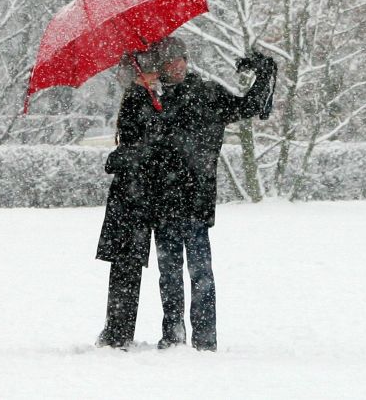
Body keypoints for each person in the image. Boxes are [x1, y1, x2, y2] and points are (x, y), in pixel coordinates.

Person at [151, 36, 277, 351]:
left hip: (197, 199)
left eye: (180, 59)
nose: (176, 65)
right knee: (169, 274)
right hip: (162, 200)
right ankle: (173, 335)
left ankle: (205, 339)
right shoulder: (152, 99)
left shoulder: (206, 93)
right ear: (161, 66)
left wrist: (263, 75)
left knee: (200, 272)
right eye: (169, 60)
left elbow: (247, 106)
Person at [94, 49, 167, 349]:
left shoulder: (140, 99)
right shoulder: (140, 100)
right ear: (142, 73)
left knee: (126, 265)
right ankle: (118, 331)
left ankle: (117, 329)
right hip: (132, 197)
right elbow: (142, 146)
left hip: (130, 195)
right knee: (128, 264)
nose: (157, 76)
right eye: (153, 71)